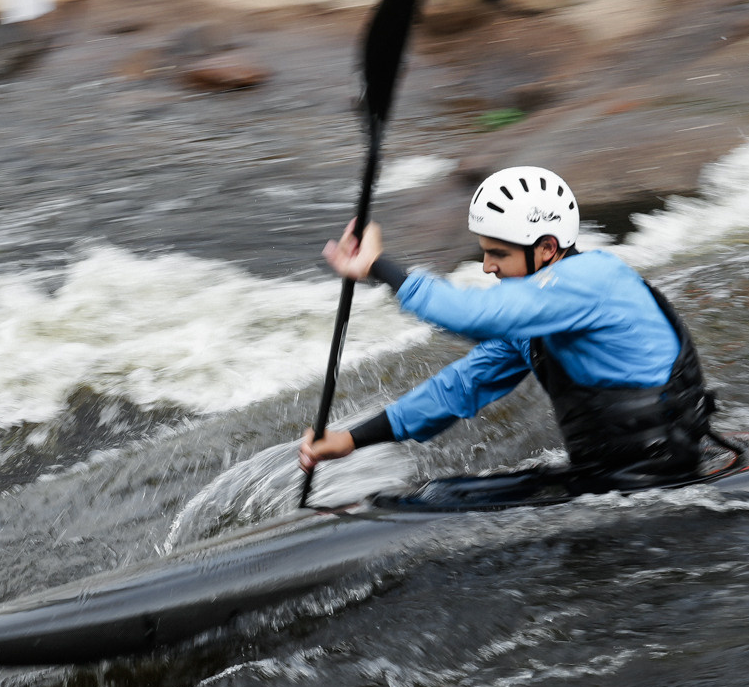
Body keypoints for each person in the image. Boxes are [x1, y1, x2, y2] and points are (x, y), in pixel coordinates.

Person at [298, 165, 719, 490]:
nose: (487, 266)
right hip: (610, 478)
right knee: (437, 495)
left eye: (498, 253)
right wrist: (351, 440)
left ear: (548, 248)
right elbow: (461, 387)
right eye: (485, 252)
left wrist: (378, 267)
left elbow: (469, 314)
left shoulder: (593, 281)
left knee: (442, 502)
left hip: (660, 477)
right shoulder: (540, 314)